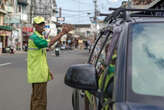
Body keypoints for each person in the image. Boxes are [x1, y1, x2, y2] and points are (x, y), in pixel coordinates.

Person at [27, 16, 73, 110]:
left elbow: (41, 58)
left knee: (37, 99)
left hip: (40, 74)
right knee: (39, 101)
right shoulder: (35, 38)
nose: (42, 26)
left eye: (43, 23)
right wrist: (62, 33)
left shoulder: (40, 37)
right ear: (35, 25)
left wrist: (47, 71)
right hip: (38, 75)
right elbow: (49, 43)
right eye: (39, 24)